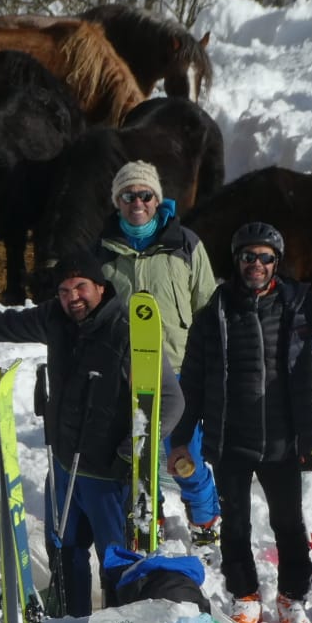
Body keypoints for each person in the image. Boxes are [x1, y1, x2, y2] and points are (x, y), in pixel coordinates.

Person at [0, 252, 182, 617]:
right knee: (62, 552)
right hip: (64, 468)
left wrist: (134, 450)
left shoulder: (128, 332)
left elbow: (171, 400)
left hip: (109, 477)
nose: (72, 297)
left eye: (81, 287)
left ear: (101, 286)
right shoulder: (55, 319)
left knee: (116, 563)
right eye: (64, 290)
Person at [169, 222, 312, 623]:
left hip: (282, 439)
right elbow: (192, 382)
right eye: (248, 257)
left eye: (265, 257)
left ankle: (292, 597)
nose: (255, 264)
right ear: (237, 261)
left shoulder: (297, 306)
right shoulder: (213, 315)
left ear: (276, 263)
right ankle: (245, 595)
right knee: (235, 524)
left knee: (289, 523)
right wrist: (182, 438)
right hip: (231, 440)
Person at [98, 159, 220, 545]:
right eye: (129, 195)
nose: (138, 202)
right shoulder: (102, 250)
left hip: (179, 368)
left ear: (157, 200)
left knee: (184, 457)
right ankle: (151, 515)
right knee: (138, 454)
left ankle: (204, 522)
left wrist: (209, 365)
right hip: (127, 371)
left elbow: (206, 306)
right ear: (117, 201)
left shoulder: (186, 243)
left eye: (145, 195)